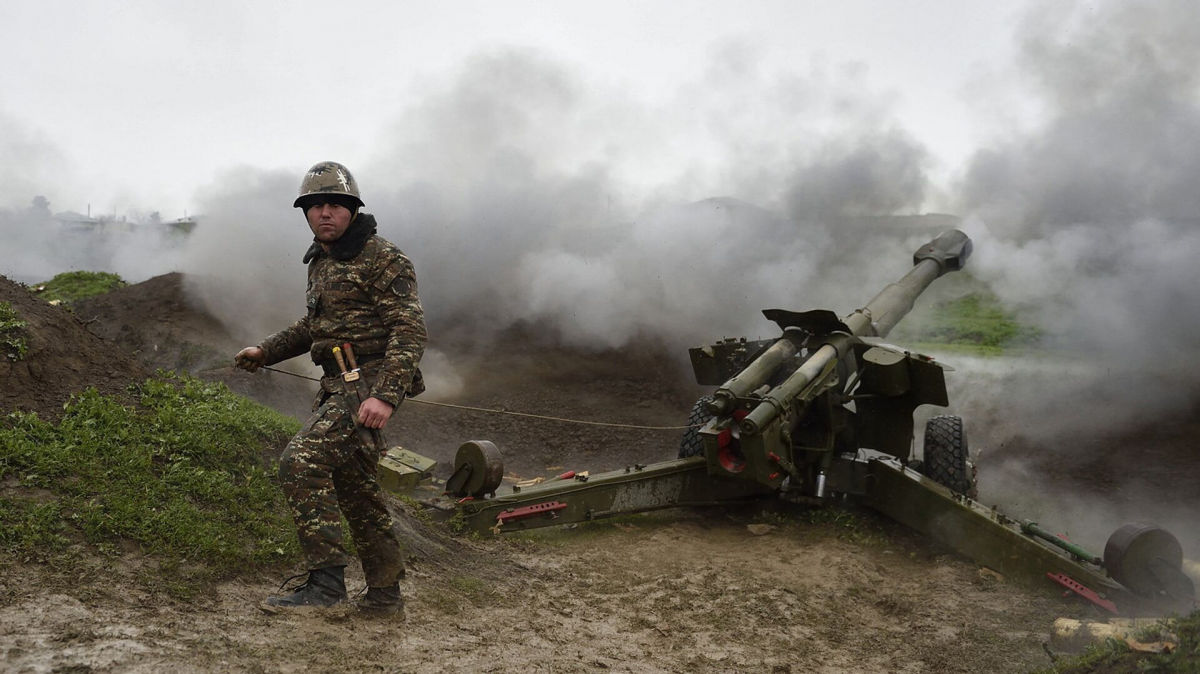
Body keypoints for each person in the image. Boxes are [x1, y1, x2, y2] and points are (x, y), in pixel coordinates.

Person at [234, 161, 426, 617]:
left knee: (300, 462)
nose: (325, 213)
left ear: (352, 210)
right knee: (358, 492)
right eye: (316, 205)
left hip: (366, 386)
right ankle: (384, 596)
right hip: (337, 384)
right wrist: (265, 351)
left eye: (335, 205)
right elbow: (315, 326)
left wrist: (386, 395)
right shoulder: (321, 261)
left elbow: (410, 329)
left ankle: (325, 586)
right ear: (305, 212)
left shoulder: (383, 257)